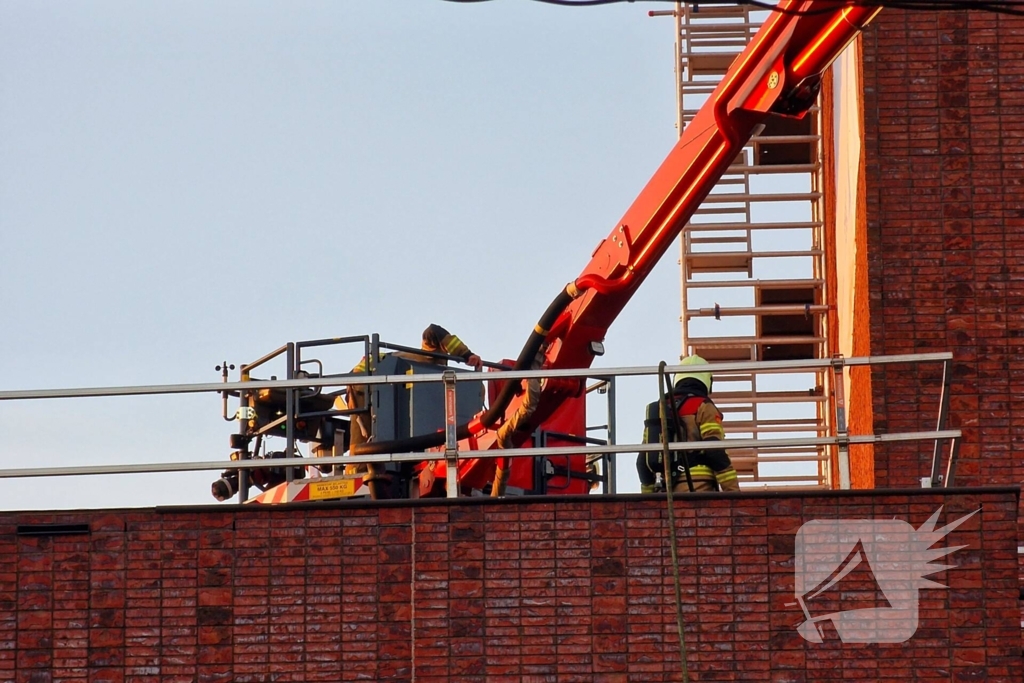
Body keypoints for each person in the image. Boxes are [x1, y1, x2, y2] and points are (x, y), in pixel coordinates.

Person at [337, 324, 482, 454]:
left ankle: (359, 464)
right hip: (368, 387)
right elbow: (433, 331)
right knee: (363, 442)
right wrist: (466, 355)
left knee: (362, 444)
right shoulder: (426, 358)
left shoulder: (425, 368)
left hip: (368, 391)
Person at [636, 355, 740, 493]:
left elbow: (642, 462)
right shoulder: (703, 406)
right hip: (698, 488)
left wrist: (648, 500)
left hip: (665, 490)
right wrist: (734, 493)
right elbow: (714, 451)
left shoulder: (659, 410)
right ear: (707, 381)